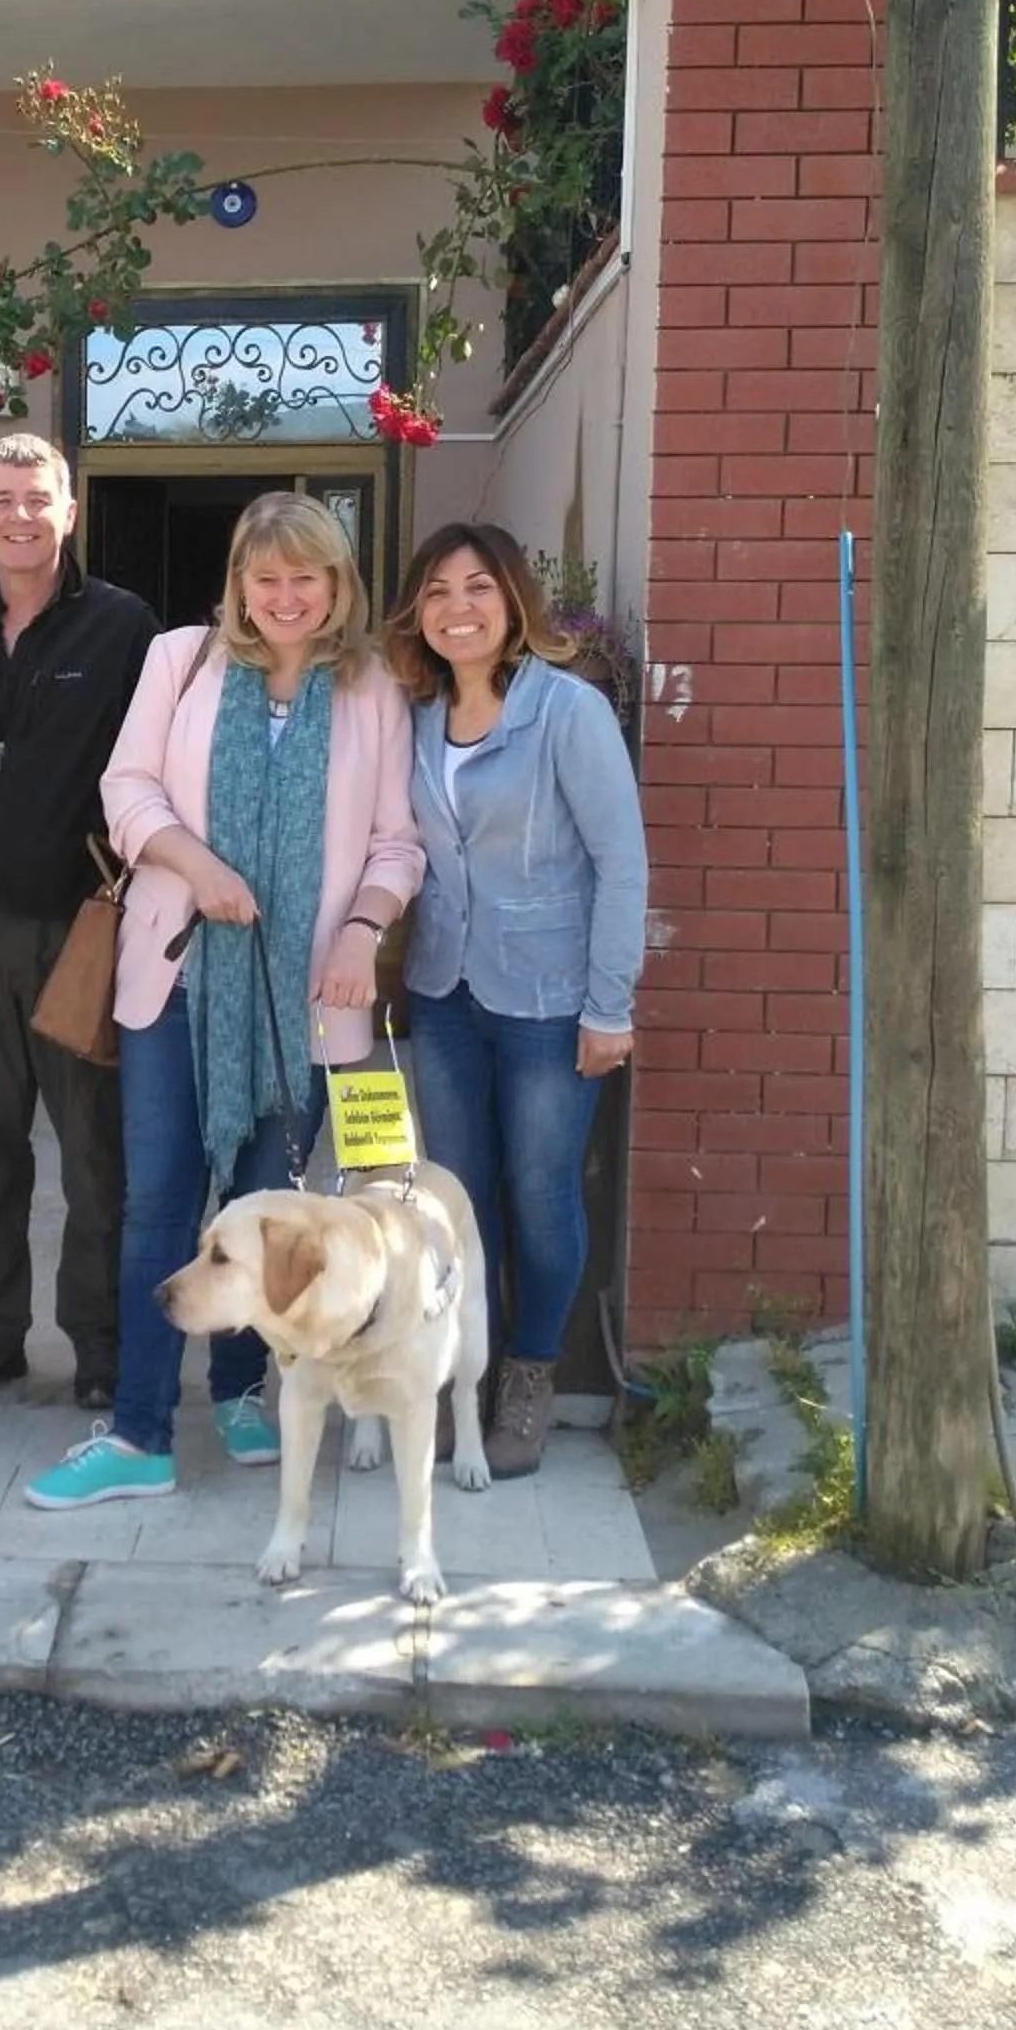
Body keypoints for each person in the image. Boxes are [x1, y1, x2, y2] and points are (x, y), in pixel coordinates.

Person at [25, 491, 424, 1511]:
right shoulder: (181, 660)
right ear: (239, 584)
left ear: (337, 586)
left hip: (307, 998)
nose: (286, 597)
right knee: (160, 1203)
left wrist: (361, 930)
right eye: (267, 577)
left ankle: (246, 1389)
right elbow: (128, 792)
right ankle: (141, 1434)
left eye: (307, 578)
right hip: (177, 975)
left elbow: (395, 841)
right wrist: (196, 866)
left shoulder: (372, 686)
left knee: (273, 1210)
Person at [381, 521, 648, 1480]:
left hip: (548, 998)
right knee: (455, 1202)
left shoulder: (567, 712)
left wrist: (608, 1005)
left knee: (540, 1197)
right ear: (418, 611)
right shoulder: (409, 717)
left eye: (479, 588)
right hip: (443, 993)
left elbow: (622, 862)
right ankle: (466, 1373)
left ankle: (529, 1374)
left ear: (514, 602)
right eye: (440, 591)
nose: (459, 608)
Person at [0, 433, 157, 1410]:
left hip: (83, 931)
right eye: (4, 499)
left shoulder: (124, 626)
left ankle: (99, 1348)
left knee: (96, 1156)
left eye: (40, 499)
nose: (22, 516)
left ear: (70, 513)